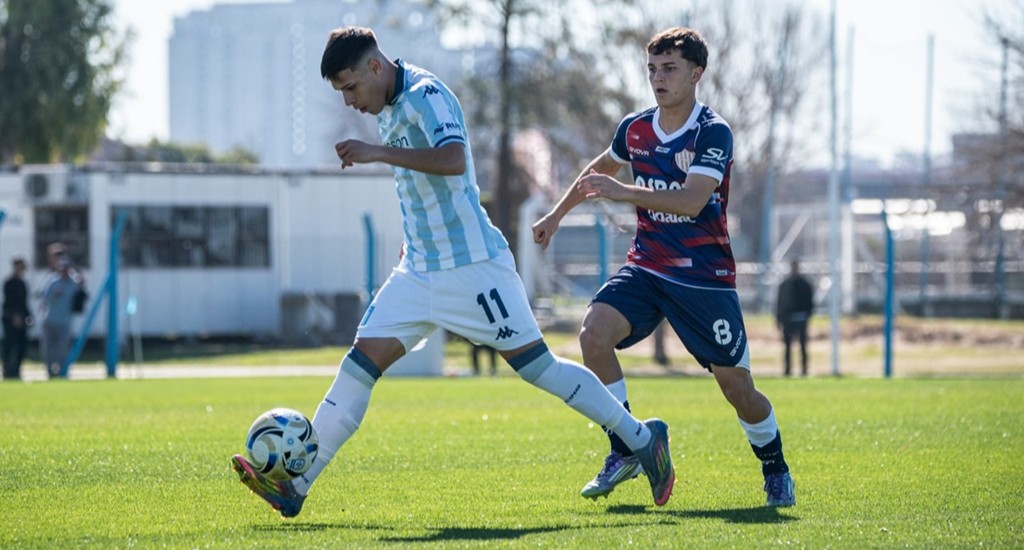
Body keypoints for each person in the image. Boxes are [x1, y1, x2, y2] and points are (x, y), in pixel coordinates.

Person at [230, 26, 674, 518]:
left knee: (540, 370)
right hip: (419, 272)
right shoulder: (388, 107)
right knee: (357, 368)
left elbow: (452, 159)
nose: (350, 101)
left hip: (474, 269)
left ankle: (642, 438)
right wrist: (412, 239)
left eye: (351, 87)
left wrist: (378, 153)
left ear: (375, 66)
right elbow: (420, 187)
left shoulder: (425, 94)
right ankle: (297, 487)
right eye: (342, 93)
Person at [532, 27, 795, 507]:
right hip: (648, 265)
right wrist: (555, 214)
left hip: (703, 277)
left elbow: (695, 201)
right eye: (652, 69)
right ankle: (628, 446)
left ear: (697, 73)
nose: (658, 78)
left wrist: (625, 192)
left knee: (738, 389)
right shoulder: (634, 128)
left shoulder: (712, 131)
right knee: (592, 334)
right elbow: (598, 173)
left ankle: (775, 467)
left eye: (669, 68)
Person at [39, 257, 80, 378]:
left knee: (63, 349)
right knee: (48, 349)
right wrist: (54, 295)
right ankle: (50, 372)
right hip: (50, 321)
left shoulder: (74, 284)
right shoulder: (53, 282)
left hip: (64, 322)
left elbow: (82, 294)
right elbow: (44, 300)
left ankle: (63, 371)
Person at [776, 260, 814, 377]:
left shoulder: (805, 284)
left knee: (803, 346)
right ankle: (787, 370)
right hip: (788, 320)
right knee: (787, 346)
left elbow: (810, 302)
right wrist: (779, 318)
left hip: (801, 319)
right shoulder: (784, 285)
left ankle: (804, 370)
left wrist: (807, 315)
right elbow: (780, 302)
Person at [2, 258, 31, 380]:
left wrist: (29, 316)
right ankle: (7, 369)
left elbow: (24, 303)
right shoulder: (9, 283)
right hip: (9, 318)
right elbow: (9, 302)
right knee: (9, 344)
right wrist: (15, 317)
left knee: (21, 345)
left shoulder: (23, 283)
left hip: (22, 317)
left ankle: (17, 369)